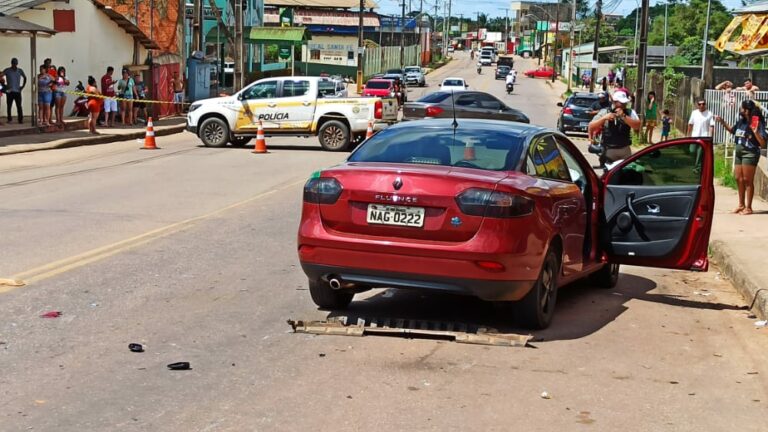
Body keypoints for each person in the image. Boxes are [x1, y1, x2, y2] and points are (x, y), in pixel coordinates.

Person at [716, 100, 767, 215]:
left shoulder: (756, 123)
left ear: (747, 110)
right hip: (739, 153)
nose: (740, 110)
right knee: (738, 178)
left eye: (742, 108)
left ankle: (748, 207)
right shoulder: (741, 122)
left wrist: (755, 132)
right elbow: (732, 131)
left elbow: (763, 144)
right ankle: (741, 205)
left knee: (747, 180)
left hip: (750, 153)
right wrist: (723, 122)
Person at [588, 91, 642, 166]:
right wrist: (604, 118)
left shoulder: (630, 112)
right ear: (614, 102)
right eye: (621, 103)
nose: (624, 105)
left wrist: (624, 116)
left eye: (625, 103)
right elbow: (591, 126)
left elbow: (637, 126)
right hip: (608, 152)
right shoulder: (605, 112)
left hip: (625, 151)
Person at [686, 98, 715, 170]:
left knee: (700, 153)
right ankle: (694, 165)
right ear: (697, 105)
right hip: (694, 136)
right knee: (692, 151)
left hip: (704, 137)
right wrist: (688, 135)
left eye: (703, 104)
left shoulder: (709, 113)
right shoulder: (694, 113)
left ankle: (697, 168)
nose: (701, 105)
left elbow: (711, 126)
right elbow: (690, 124)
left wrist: (710, 137)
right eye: (700, 104)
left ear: (705, 104)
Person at [3, 58, 26, 124]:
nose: (14, 65)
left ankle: (20, 119)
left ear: (17, 63)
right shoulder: (7, 70)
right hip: (9, 91)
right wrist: (4, 85)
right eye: (13, 63)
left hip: (17, 91)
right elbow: (1, 75)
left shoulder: (20, 70)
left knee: (19, 106)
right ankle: (9, 119)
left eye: (15, 63)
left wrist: (22, 86)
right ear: (11, 63)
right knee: (9, 106)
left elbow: (25, 77)